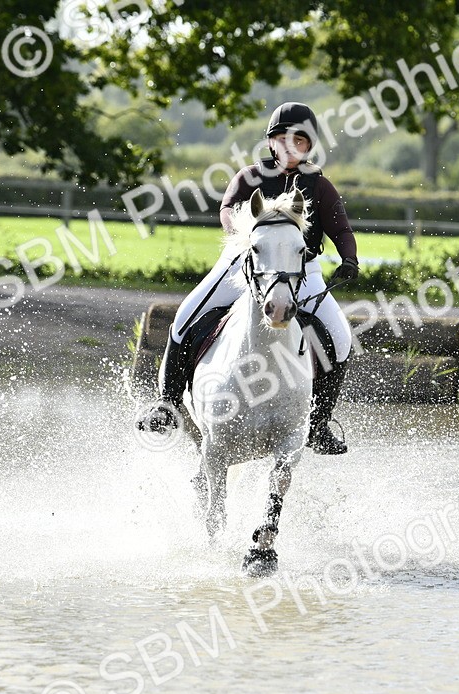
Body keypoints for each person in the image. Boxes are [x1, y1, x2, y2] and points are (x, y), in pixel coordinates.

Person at [136, 101, 360, 455]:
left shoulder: (320, 186)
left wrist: (350, 258)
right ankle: (166, 404)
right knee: (182, 320)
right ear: (272, 142)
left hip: (302, 269)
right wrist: (241, 235)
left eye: (299, 141)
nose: (291, 147)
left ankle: (318, 424)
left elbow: (341, 228)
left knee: (341, 337)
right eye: (284, 139)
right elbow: (227, 208)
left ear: (309, 145)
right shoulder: (250, 176)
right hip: (241, 261)